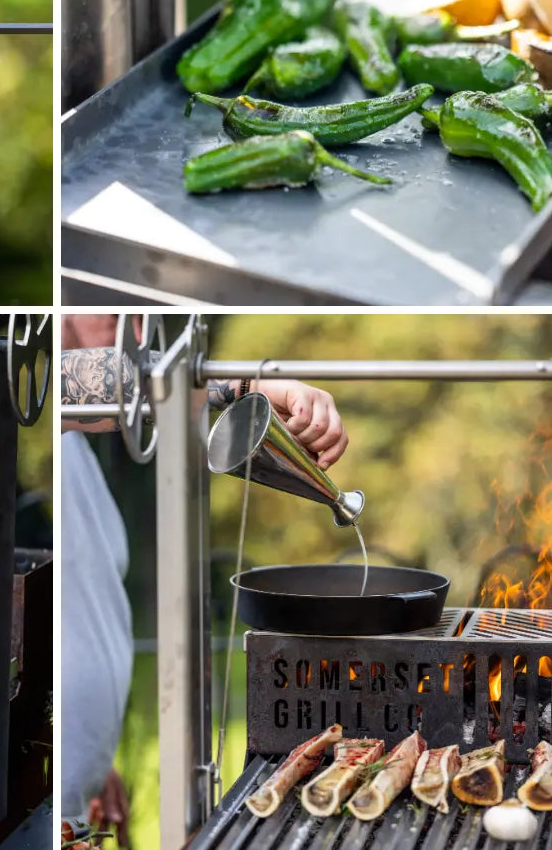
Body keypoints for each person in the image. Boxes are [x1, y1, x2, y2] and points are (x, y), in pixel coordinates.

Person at [60, 315, 349, 845]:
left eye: (143, 315)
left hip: (74, 795)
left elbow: (84, 607)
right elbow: (88, 382)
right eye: (113, 308)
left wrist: (92, 760)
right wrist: (252, 384)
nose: (136, 332)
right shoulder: (25, 390)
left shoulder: (72, 453)